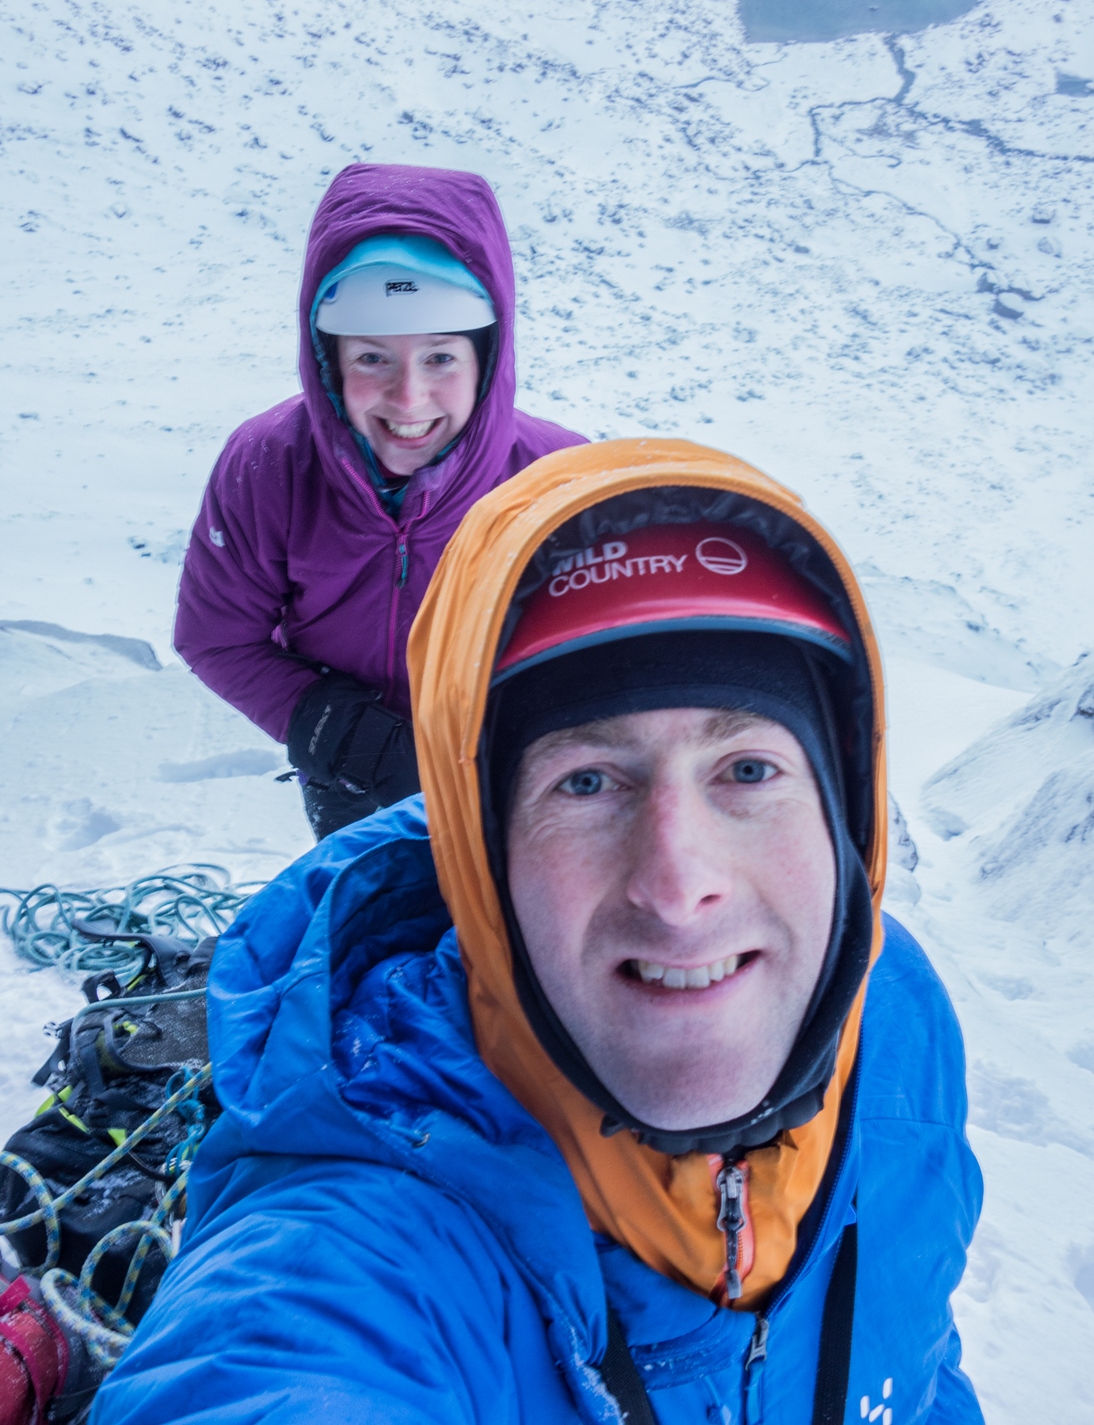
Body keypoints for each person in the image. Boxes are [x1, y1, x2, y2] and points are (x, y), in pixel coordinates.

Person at [95, 439, 984, 1425]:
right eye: (586, 782)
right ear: (483, 864)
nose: (678, 883)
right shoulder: (356, 1252)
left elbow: (914, 1359)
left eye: (745, 769)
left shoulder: (893, 1026)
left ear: (843, 813)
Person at [173, 161, 585, 840]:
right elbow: (217, 634)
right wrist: (335, 727)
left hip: (510, 778)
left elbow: (606, 654)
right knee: (378, 927)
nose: (408, 399)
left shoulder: (554, 480)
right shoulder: (269, 465)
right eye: (371, 358)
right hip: (345, 770)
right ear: (327, 358)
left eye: (440, 358)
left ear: (489, 356)